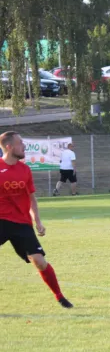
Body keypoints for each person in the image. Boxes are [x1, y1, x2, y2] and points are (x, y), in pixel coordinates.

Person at [0, 131, 73, 308]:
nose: (24, 146)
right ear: (9, 146)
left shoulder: (25, 169)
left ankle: (59, 296)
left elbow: (32, 198)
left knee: (39, 261)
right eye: (20, 143)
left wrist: (37, 221)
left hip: (22, 224)